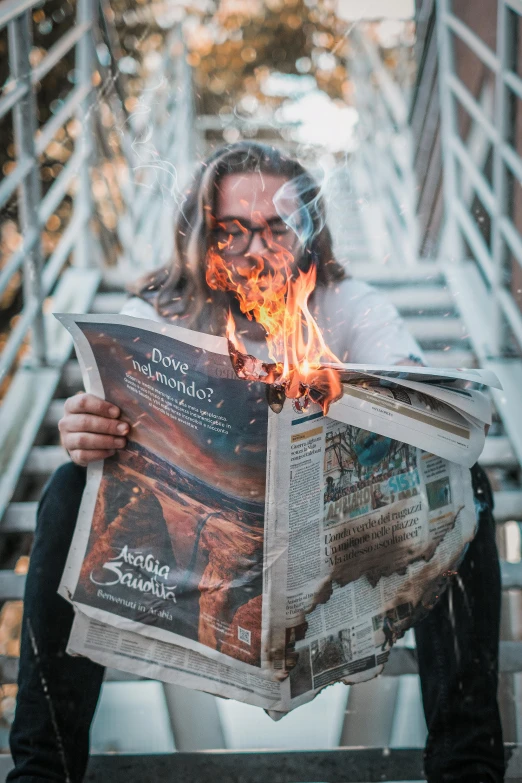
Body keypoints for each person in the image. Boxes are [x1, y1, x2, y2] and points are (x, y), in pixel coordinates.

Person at [8, 142, 504, 783]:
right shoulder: (157, 312)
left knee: (466, 484)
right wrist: (86, 430)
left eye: (276, 228)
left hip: (330, 544)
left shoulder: (343, 300)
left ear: (306, 233)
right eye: (232, 230)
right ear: (203, 236)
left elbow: (408, 376)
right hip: (205, 551)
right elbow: (106, 427)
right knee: (71, 486)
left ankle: (469, 769)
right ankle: (42, 771)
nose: (255, 249)